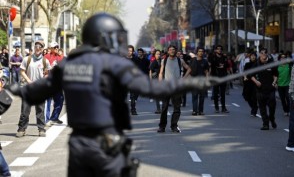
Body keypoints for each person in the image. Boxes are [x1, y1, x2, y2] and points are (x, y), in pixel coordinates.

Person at [9, 12, 214, 177]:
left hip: (79, 145)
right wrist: (195, 83)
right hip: (108, 144)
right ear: (104, 37)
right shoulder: (116, 64)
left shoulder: (69, 65)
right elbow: (151, 89)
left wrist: (16, 89)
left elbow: (36, 92)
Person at [15, 40, 51, 137]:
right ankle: (22, 129)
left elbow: (47, 73)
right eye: (36, 46)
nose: (38, 48)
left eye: (40, 47)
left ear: (43, 49)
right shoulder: (27, 59)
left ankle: (41, 129)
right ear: (34, 48)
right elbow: (22, 71)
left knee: (40, 110)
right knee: (25, 110)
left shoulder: (45, 61)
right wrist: (29, 80)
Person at [157, 45, 191, 133]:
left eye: (174, 49)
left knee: (177, 108)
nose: (172, 51)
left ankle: (174, 126)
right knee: (164, 108)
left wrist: (184, 78)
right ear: (168, 51)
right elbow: (160, 73)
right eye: (170, 49)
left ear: (176, 51)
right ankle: (162, 126)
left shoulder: (180, 60)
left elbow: (189, 69)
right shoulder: (164, 61)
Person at [251, 48, 278, 130]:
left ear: (267, 54)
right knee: (262, 108)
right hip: (260, 89)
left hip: (270, 89)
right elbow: (251, 75)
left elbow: (275, 74)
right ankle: (265, 124)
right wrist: (256, 82)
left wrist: (274, 82)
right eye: (261, 53)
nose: (263, 54)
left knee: (272, 106)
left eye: (265, 53)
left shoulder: (271, 63)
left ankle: (272, 119)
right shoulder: (256, 64)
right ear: (259, 54)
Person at [44, 42, 65, 126]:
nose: (56, 48)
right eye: (54, 47)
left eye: (57, 47)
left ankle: (54, 117)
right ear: (50, 48)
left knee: (60, 99)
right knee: (48, 102)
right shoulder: (46, 57)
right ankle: (46, 120)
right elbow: (43, 69)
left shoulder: (60, 57)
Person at [209, 45, 229, 113]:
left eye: (220, 49)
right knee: (215, 93)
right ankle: (216, 107)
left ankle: (223, 107)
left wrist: (224, 65)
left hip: (223, 76)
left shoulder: (224, 57)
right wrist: (218, 65)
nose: (219, 50)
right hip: (215, 77)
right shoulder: (213, 57)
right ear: (215, 50)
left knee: (223, 93)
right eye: (218, 49)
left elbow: (228, 65)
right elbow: (211, 65)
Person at [189, 47, 209, 116]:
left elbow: (206, 71)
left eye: (202, 51)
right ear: (197, 52)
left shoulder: (205, 61)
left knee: (202, 97)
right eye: (199, 51)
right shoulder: (193, 60)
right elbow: (189, 70)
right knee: (194, 96)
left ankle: (200, 111)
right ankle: (194, 111)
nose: (201, 52)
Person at [243, 52, 258, 116]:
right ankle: (254, 107)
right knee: (246, 96)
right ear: (250, 57)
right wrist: (245, 77)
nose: (253, 57)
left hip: (255, 82)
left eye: (254, 56)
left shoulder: (258, 64)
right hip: (248, 81)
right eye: (252, 55)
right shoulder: (247, 64)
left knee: (254, 97)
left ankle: (254, 111)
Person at [149, 49, 162, 114]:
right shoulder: (154, 62)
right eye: (157, 54)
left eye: (159, 54)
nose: (158, 55)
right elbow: (150, 71)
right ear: (155, 55)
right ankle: (158, 109)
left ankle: (161, 108)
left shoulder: (162, 61)